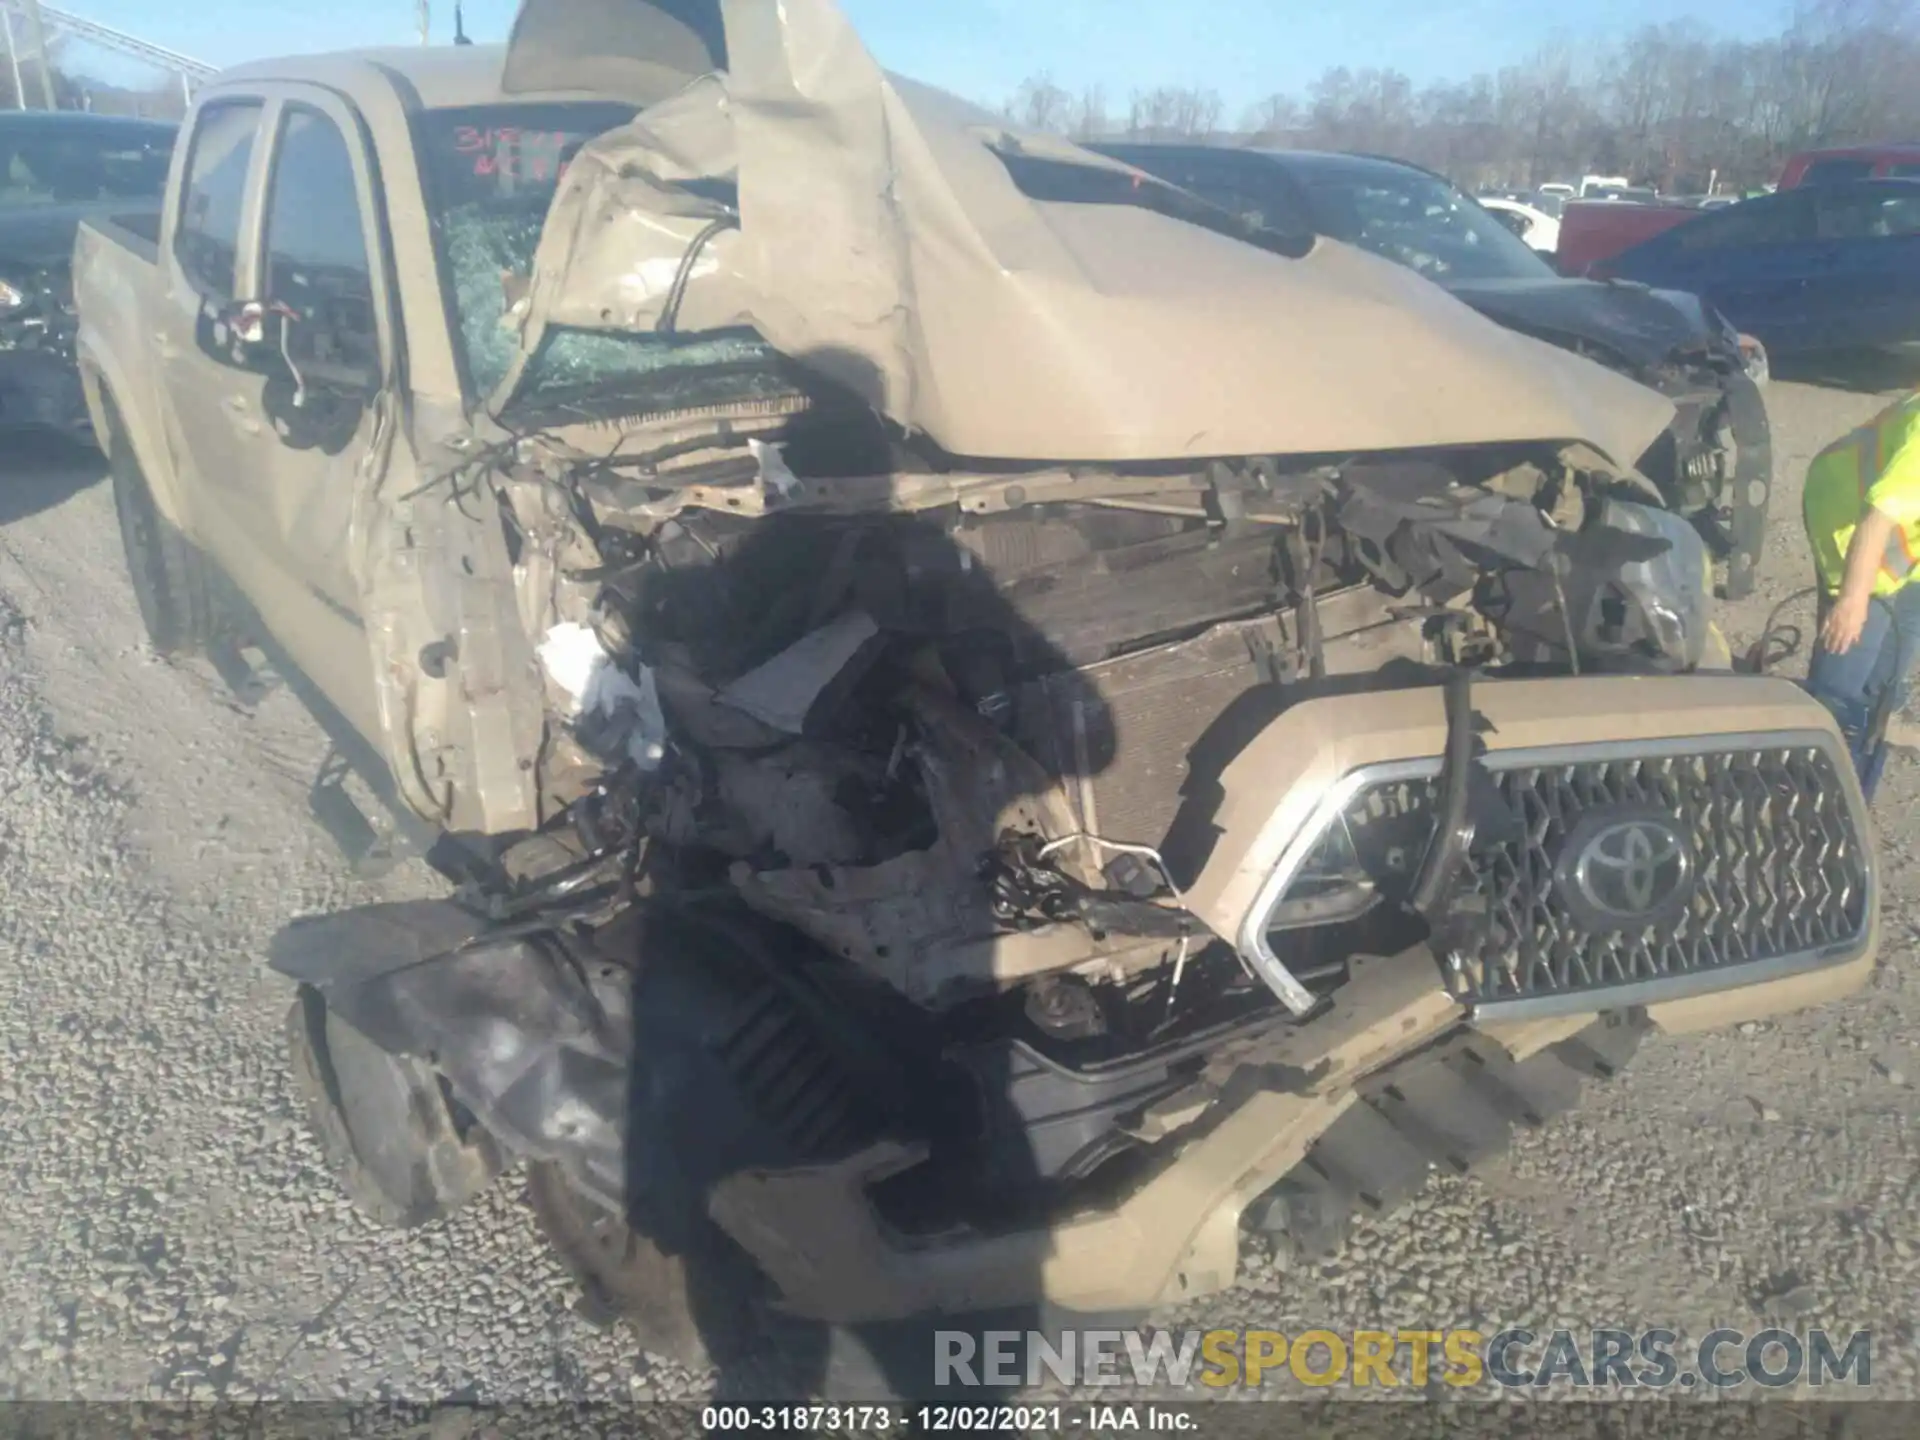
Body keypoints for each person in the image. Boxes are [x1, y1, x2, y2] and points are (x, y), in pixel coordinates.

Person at [1802, 389, 1920, 800]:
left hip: (1905, 549)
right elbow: (1876, 521)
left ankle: (1854, 797)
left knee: (1885, 686)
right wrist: (1851, 602)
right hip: (1849, 524)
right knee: (1842, 687)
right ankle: (1816, 798)